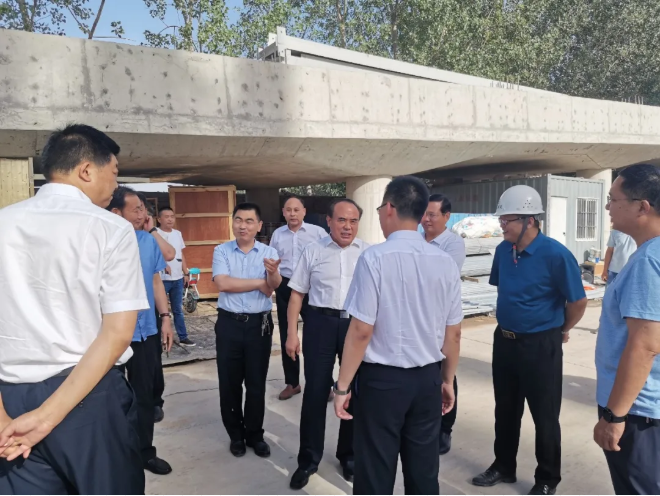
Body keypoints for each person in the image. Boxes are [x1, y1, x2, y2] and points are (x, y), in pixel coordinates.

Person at [0, 125, 148, 494]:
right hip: (88, 399)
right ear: (86, 170)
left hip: (11, 401)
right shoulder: (110, 229)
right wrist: (45, 418)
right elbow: (116, 335)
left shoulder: (3, 223)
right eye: (114, 172)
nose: (115, 185)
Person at [334, 176, 463, 495]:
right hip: (427, 381)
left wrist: (342, 386)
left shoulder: (375, 258)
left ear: (389, 208)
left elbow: (361, 331)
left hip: (382, 384)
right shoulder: (445, 263)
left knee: (375, 472)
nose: (380, 215)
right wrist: (446, 381)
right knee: (424, 472)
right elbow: (454, 334)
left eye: (380, 209)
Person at [471, 185, 587, 496]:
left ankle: (547, 478)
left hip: (541, 345)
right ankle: (503, 466)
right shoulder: (502, 251)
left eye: (507, 220)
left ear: (529, 220)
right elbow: (505, 290)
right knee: (505, 410)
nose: (502, 226)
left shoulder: (556, 255)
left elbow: (578, 301)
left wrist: (561, 329)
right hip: (505, 341)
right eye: (501, 220)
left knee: (544, 415)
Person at [286, 199, 368, 489]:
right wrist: (292, 333)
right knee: (316, 392)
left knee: (354, 391)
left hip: (354, 326)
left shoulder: (368, 253)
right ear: (329, 221)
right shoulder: (314, 250)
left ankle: (349, 456)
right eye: (342, 220)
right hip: (319, 323)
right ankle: (308, 460)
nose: (348, 227)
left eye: (353, 221)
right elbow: (296, 295)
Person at [594, 164, 660, 495]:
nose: (608, 207)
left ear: (642, 207)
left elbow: (645, 345)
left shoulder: (648, 261)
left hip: (638, 410)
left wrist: (615, 416)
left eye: (613, 199)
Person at [108, 186, 175, 476]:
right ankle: (115, 455)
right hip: (109, 335)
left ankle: (145, 453)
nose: (142, 214)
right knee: (112, 398)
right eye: (136, 209)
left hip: (146, 331)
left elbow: (156, 280)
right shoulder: (101, 242)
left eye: (143, 209)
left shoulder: (147, 241)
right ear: (116, 213)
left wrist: (166, 318)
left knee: (144, 397)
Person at [212, 203, 282, 459]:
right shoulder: (221, 250)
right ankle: (236, 435)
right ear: (232, 222)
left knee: (256, 383)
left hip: (258, 325)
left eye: (249, 221)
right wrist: (259, 283)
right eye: (239, 220)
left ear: (259, 226)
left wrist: (271, 276)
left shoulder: (269, 252)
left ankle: (255, 435)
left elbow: (273, 286)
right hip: (229, 324)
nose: (243, 225)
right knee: (229, 383)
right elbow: (223, 283)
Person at [270, 196, 327, 400]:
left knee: (317, 336)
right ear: (283, 213)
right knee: (288, 334)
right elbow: (273, 261)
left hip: (311, 287)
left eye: (296, 210)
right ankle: (292, 383)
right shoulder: (277, 234)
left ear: (304, 211)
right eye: (288, 210)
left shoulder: (318, 233)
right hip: (286, 286)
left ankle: (323, 383)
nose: (292, 213)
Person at [422, 193, 466, 455]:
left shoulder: (453, 243)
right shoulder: (416, 239)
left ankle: (445, 428)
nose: (426, 219)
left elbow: (440, 278)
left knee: (446, 372)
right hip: (419, 318)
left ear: (447, 216)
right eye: (424, 214)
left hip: (444, 319)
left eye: (432, 214)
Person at [157, 208, 196, 346]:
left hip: (178, 278)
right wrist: (162, 264)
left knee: (178, 309)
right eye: (166, 216)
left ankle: (183, 337)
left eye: (172, 216)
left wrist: (185, 272)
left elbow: (180, 254)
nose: (170, 219)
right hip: (161, 279)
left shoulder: (177, 234)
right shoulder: (155, 234)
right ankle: (159, 339)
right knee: (160, 310)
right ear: (159, 219)